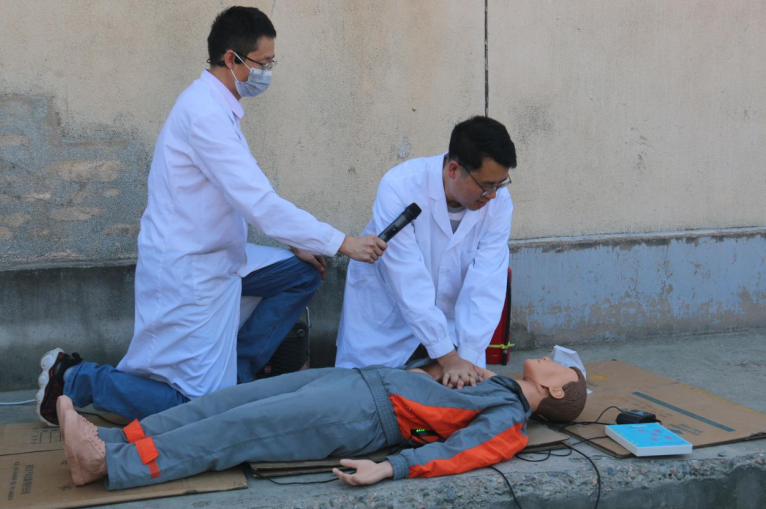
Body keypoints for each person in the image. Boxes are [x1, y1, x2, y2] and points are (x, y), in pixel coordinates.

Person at [35, 6, 386, 425]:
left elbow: (245, 195)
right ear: (232, 59)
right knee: (192, 409)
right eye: (263, 63)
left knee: (301, 274)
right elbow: (259, 202)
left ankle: (236, 375)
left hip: (222, 256)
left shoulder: (220, 108)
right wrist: (342, 242)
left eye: (271, 63)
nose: (267, 73)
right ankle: (75, 379)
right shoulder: (204, 115)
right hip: (189, 271)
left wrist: (300, 242)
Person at [57, 357, 586, 489]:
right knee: (223, 403)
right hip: (355, 381)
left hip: (359, 413)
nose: (553, 358)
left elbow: (459, 452)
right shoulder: (495, 384)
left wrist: (391, 468)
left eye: (563, 368)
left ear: (557, 390)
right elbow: (435, 403)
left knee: (239, 428)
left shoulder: (509, 420)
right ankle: (114, 439)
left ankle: (111, 465)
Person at [336, 116, 516, 389]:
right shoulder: (400, 186)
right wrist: (449, 357)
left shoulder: (498, 203)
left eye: (499, 185)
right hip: (387, 316)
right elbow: (407, 279)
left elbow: (487, 282)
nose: (492, 195)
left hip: (453, 325)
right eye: (486, 186)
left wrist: (464, 360)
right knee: (366, 393)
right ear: (454, 169)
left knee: (456, 395)